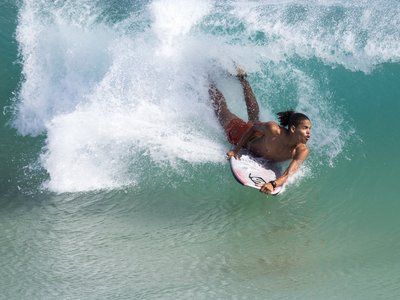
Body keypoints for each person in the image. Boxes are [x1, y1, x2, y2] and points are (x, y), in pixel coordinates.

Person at [209, 68, 312, 194]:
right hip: (245, 137)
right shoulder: (274, 129)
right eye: (305, 128)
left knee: (254, 119)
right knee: (223, 113)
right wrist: (236, 149)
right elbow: (252, 128)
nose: (309, 132)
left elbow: (288, 174)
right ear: (293, 129)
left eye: (310, 129)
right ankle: (209, 82)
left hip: (261, 137)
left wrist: (273, 184)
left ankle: (243, 79)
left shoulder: (301, 150)